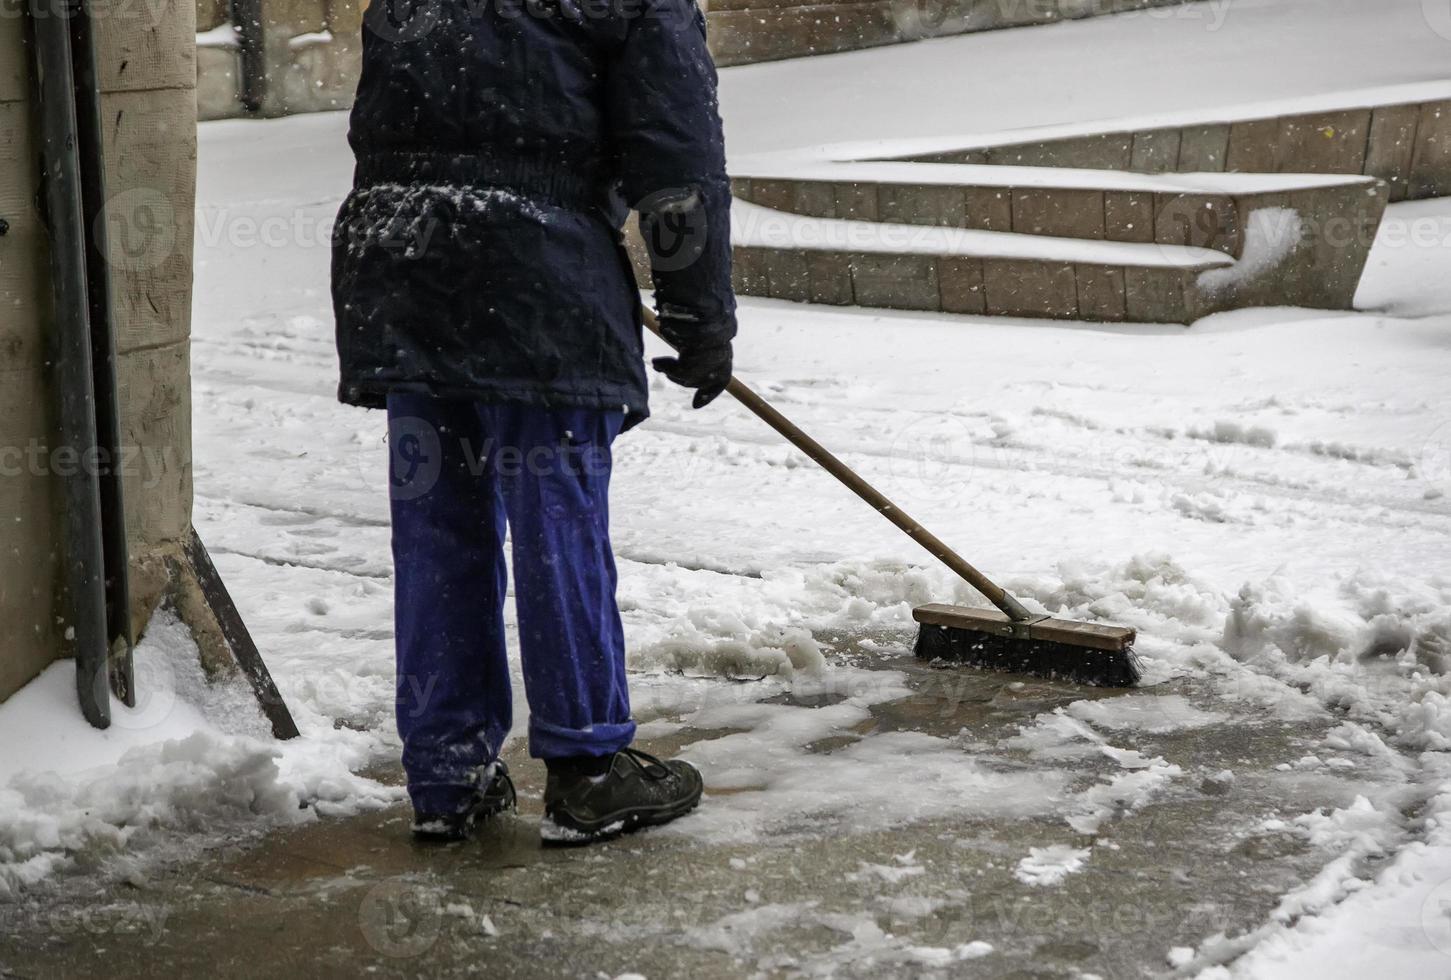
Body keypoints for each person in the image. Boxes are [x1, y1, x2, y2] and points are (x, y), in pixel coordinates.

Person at [331, 0, 736, 844]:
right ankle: (589, 769)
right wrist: (700, 316)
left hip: (398, 263)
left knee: (438, 527)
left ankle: (446, 772)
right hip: (535, 280)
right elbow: (676, 165)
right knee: (556, 520)